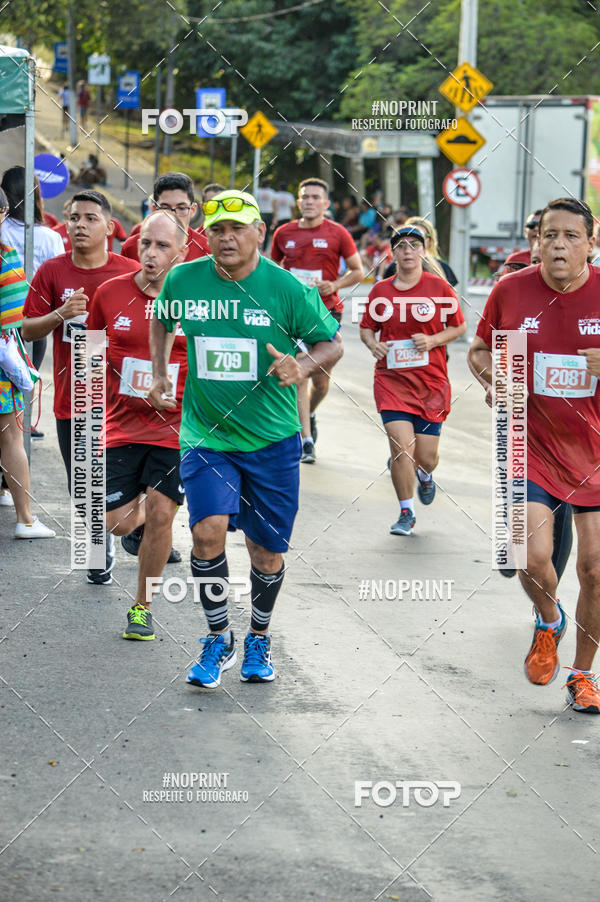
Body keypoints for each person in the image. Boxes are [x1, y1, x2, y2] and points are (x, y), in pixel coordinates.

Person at [149, 189, 343, 688]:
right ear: (204, 234)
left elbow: (331, 342)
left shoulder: (284, 288)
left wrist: (299, 366)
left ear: (260, 232)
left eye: (238, 228)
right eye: (217, 228)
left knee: (265, 551)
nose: (227, 237)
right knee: (206, 531)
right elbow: (161, 321)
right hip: (206, 434)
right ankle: (217, 638)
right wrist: (159, 376)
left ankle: (258, 635)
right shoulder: (184, 279)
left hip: (272, 440)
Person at [468, 197, 600, 714]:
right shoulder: (511, 290)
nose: (559, 245)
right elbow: (480, 351)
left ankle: (583, 675)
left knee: (595, 571)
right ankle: (549, 621)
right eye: (550, 235)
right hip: (532, 444)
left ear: (591, 242)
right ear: (536, 241)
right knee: (529, 553)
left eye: (571, 236)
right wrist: (495, 377)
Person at [22, 190, 139, 584]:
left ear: (109, 226)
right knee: (83, 482)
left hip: (125, 399)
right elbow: (27, 327)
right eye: (73, 218)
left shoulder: (129, 271)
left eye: (90, 218)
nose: (80, 225)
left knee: (120, 477)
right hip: (74, 396)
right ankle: (96, 547)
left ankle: (129, 521)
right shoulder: (52, 272)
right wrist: (60, 314)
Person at [87, 210, 188, 640]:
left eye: (163, 246)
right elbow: (89, 353)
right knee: (118, 523)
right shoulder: (110, 294)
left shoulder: (196, 301)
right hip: (122, 426)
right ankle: (147, 502)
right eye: (146, 243)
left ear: (182, 252)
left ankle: (142, 607)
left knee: (164, 515)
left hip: (177, 429)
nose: (151, 253)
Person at [360, 226, 466, 536]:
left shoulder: (439, 287)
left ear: (423, 250)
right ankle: (406, 511)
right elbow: (367, 327)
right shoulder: (381, 290)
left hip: (431, 383)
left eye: (414, 245)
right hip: (391, 381)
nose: (407, 251)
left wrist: (432, 341)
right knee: (400, 447)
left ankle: (426, 475)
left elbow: (458, 328)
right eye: (401, 246)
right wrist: (372, 344)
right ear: (393, 253)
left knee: (426, 457)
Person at [271, 177, 363, 463]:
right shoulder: (283, 233)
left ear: (325, 204)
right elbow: (271, 269)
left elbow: (358, 271)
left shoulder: (338, 233)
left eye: (315, 197)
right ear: (298, 203)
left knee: (321, 381)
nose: (309, 201)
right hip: (292, 313)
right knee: (299, 363)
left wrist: (335, 285)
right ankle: (305, 440)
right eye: (305, 197)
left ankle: (309, 411)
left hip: (326, 311)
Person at [0, 189, 55, 537]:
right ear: (3, 213)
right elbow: (15, 321)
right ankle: (25, 519)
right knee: (11, 440)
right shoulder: (5, 258)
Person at [1, 166, 65, 433]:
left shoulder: (3, 234)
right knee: (24, 375)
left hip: (6, 321)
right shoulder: (50, 237)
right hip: (37, 319)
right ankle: (25, 424)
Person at [120, 173, 210, 262]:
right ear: (154, 209)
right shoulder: (131, 248)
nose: (174, 216)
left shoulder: (208, 251)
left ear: (193, 210)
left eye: (181, 208)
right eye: (165, 209)